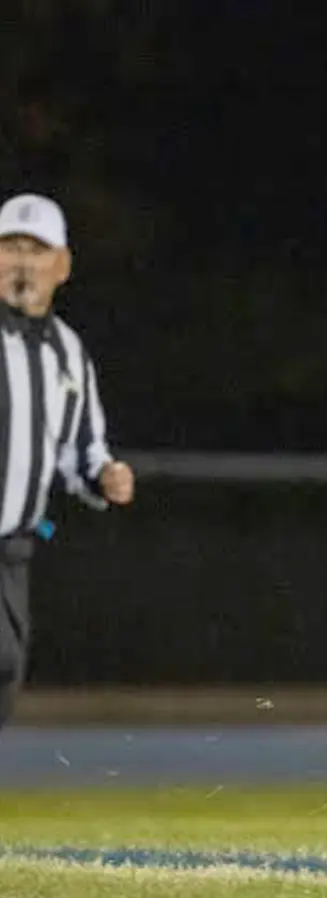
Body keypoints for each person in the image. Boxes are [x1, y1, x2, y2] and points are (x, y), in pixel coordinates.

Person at [0, 192, 135, 731]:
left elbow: (80, 450)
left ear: (62, 265)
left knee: (5, 673)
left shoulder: (68, 352)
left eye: (36, 250)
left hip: (12, 556)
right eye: (11, 247)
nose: (23, 262)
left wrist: (104, 476)